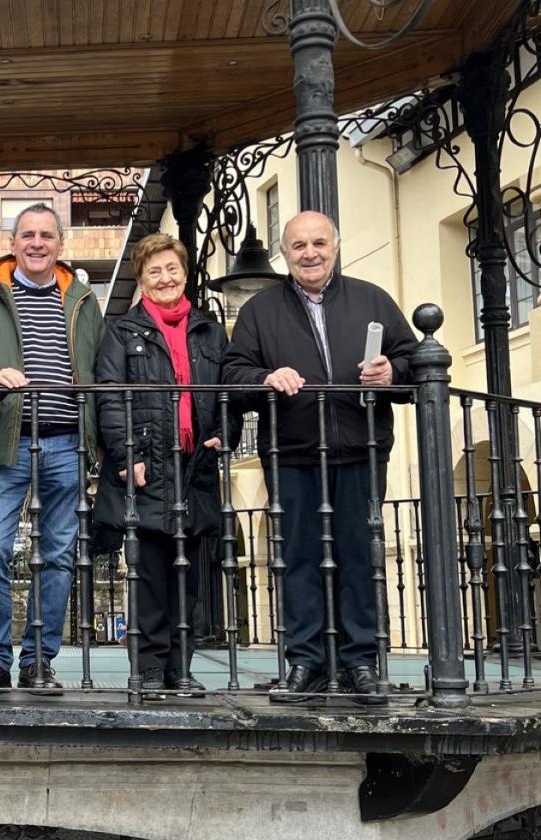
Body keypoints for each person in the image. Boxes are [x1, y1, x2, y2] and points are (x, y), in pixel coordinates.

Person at [222, 210, 417, 705]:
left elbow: (416, 361)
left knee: (359, 555)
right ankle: (305, 660)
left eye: (318, 243)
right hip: (290, 451)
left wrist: (392, 372)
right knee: (299, 556)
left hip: (360, 447)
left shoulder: (373, 298)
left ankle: (361, 662)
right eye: (298, 245)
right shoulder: (260, 311)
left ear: (335, 245)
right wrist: (265, 379)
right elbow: (233, 374)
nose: (309, 253)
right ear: (283, 254)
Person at [0, 202, 104, 695]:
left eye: (47, 235)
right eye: (28, 235)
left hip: (68, 443)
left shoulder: (82, 298)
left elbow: (101, 368)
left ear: (60, 245)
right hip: (4, 443)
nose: (37, 243)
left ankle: (39, 663)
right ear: (13, 243)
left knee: (58, 556)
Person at [94, 232, 234, 699]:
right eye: (154, 271)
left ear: (185, 272)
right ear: (142, 278)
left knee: (189, 577)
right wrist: (127, 456)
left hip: (196, 466)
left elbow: (227, 389)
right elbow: (111, 398)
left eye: (172, 268)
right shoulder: (122, 331)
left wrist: (225, 432)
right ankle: (150, 668)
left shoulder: (209, 329)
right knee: (151, 574)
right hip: (149, 464)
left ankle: (181, 667)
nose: (165, 278)